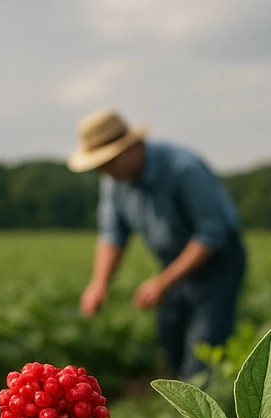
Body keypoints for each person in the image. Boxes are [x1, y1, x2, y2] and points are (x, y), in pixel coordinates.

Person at [69, 108, 246, 380]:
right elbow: (113, 233)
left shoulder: (183, 169)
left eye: (109, 161)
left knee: (203, 351)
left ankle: (204, 415)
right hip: (172, 265)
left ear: (132, 147)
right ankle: (181, 408)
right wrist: (99, 283)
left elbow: (211, 234)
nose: (104, 171)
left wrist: (163, 282)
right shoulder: (114, 180)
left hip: (217, 265)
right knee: (172, 345)